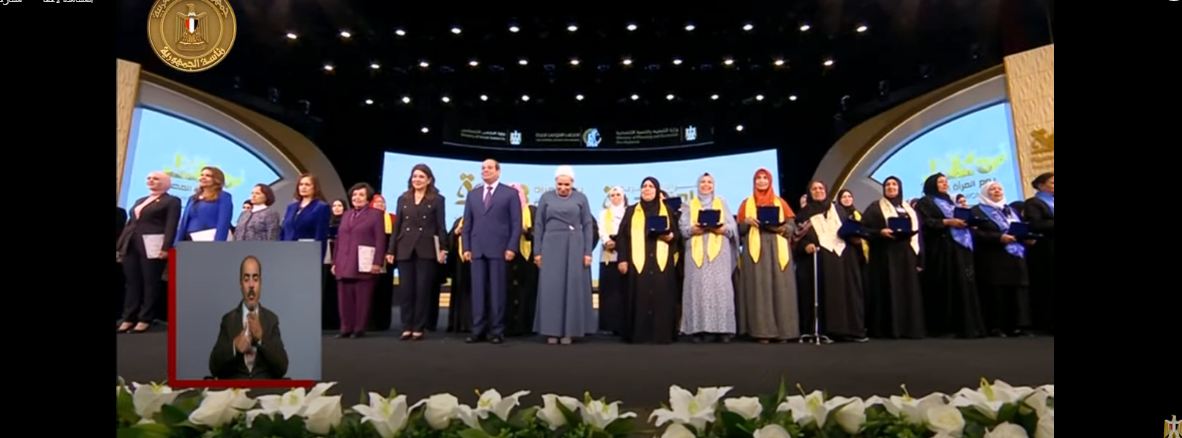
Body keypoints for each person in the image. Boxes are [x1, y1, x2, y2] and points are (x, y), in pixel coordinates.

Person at [914, 173, 986, 338]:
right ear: (932, 184)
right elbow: (925, 223)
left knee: (964, 283)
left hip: (960, 247)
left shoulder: (950, 201)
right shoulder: (926, 202)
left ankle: (969, 325)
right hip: (942, 249)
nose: (945, 184)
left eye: (946, 182)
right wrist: (947, 222)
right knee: (948, 284)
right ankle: (947, 327)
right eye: (941, 182)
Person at [796, 180, 868, 342]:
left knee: (848, 293)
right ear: (810, 193)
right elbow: (797, 237)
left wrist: (855, 236)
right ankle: (827, 331)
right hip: (820, 259)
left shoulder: (838, 209)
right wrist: (805, 245)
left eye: (821, 188)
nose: (818, 191)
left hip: (844, 257)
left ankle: (850, 331)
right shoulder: (804, 213)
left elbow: (847, 229)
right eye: (814, 189)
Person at [460, 159, 522, 344]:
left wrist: (511, 247)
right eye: (483, 168)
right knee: (478, 292)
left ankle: (496, 331)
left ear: (498, 171)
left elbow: (516, 223)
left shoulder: (510, 193)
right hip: (477, 249)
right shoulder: (473, 194)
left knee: (497, 292)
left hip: (500, 250)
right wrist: (466, 247)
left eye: (489, 168)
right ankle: (477, 330)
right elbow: (467, 223)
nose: (485, 170)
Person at [533, 166, 596, 344]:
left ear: (572, 183)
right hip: (551, 245)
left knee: (572, 287)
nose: (563, 188)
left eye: (566, 184)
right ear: (555, 183)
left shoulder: (581, 198)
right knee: (552, 288)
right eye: (560, 184)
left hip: (575, 246)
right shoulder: (546, 198)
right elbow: (538, 225)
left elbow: (588, 225)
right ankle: (551, 330)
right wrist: (537, 252)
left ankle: (570, 331)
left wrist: (587, 252)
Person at [385, 164, 447, 341]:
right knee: (406, 290)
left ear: (429, 180)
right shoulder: (403, 198)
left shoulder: (437, 199)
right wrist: (391, 250)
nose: (417, 180)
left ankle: (419, 327)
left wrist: (443, 248)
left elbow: (441, 226)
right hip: (404, 247)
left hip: (426, 249)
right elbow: (397, 226)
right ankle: (406, 326)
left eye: (421, 177)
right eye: (414, 176)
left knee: (422, 290)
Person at [736, 169, 798, 343]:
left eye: (765, 178)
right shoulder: (746, 203)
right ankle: (762, 332)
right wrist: (746, 222)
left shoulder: (781, 202)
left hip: (777, 249)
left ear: (770, 181)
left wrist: (782, 228)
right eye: (758, 178)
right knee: (759, 288)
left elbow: (792, 227)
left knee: (781, 288)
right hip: (755, 251)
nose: (762, 181)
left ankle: (784, 332)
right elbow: (739, 229)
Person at [860, 176, 925, 339]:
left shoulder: (909, 209)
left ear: (899, 188)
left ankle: (908, 328)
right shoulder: (875, 208)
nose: (891, 187)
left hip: (906, 255)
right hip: (884, 255)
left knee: (907, 291)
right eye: (888, 185)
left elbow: (919, 235)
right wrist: (879, 232)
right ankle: (889, 329)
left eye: (894, 184)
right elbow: (863, 229)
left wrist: (919, 258)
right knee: (888, 290)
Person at [615, 177, 679, 344]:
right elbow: (622, 237)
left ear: (657, 190)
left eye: (651, 186)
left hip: (661, 263)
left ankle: (661, 335)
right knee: (638, 298)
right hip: (637, 264)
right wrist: (622, 259)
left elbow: (677, 235)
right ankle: (638, 335)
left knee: (661, 298)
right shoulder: (631, 211)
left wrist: (670, 236)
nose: (647, 189)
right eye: (644, 186)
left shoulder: (667, 210)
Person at [117, 171, 181, 333]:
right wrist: (120, 245)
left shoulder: (171, 201)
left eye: (156, 178)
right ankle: (128, 317)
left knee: (150, 283)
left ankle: (145, 318)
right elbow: (130, 223)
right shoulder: (140, 200)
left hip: (153, 246)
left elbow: (171, 225)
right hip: (131, 244)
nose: (151, 180)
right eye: (149, 178)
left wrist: (166, 248)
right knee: (132, 282)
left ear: (165, 182)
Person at [679, 173, 739, 343]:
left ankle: (723, 329)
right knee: (696, 288)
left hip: (719, 252)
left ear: (714, 185)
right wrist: (693, 229)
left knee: (720, 288)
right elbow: (683, 228)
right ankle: (697, 330)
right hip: (695, 252)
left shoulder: (722, 203)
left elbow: (732, 227)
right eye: (703, 182)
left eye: (709, 182)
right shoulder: (689, 205)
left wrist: (721, 229)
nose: (706, 185)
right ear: (698, 185)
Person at [209, 256, 289, 379]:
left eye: (255, 279)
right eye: (246, 279)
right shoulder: (228, 320)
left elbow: (282, 367)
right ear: (241, 284)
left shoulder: (271, 319)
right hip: (237, 389)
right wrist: (234, 347)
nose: (251, 285)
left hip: (263, 389)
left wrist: (261, 339)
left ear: (260, 283)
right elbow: (214, 367)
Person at [971, 181, 1033, 337]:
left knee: (1018, 291)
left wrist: (1028, 238)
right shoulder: (977, 210)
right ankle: (997, 326)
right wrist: (998, 238)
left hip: (1016, 256)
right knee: (997, 292)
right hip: (993, 256)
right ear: (984, 193)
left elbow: (1021, 228)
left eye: (999, 188)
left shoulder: (1011, 210)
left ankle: (1019, 326)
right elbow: (975, 233)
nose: (997, 191)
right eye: (992, 189)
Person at [332, 183, 388, 338]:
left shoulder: (376, 215)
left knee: (363, 297)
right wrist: (335, 262)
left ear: (368, 198)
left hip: (363, 262)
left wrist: (377, 262)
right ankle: (345, 328)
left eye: (361, 195)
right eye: (354, 195)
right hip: (343, 261)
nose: (357, 198)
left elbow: (380, 240)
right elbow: (339, 239)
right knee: (344, 298)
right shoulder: (346, 214)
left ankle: (358, 328)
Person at [505, 183, 540, 337]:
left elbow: (540, 231)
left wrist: (527, 232)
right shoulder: (503, 211)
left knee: (528, 291)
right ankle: (508, 325)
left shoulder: (532, 211)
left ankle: (527, 325)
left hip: (528, 258)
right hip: (508, 256)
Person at [1023, 172, 1054, 334]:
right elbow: (1035, 224)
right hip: (1046, 249)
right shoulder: (1034, 203)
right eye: (1052, 183)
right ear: (1041, 185)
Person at [597, 186, 628, 335]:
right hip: (608, 254)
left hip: (625, 254)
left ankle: (623, 324)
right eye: (612, 195)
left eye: (618, 195)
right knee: (609, 291)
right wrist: (607, 241)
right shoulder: (604, 213)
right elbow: (601, 230)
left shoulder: (628, 212)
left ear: (623, 196)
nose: (615, 197)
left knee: (623, 290)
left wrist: (621, 243)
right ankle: (608, 325)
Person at [176, 166, 233, 243]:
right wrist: (177, 243)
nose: (203, 177)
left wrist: (218, 245)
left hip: (207, 240)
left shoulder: (224, 197)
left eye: (208, 176)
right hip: (187, 239)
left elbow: (223, 223)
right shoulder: (192, 198)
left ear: (216, 179)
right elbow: (184, 222)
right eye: (202, 175)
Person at [281, 173, 330, 243]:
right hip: (287, 247)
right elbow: (283, 231)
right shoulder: (291, 207)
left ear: (315, 187)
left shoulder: (321, 207)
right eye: (301, 184)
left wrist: (317, 250)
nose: (303, 187)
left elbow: (321, 235)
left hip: (307, 248)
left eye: (307, 185)